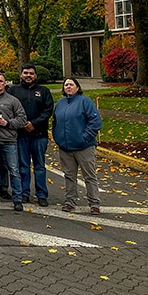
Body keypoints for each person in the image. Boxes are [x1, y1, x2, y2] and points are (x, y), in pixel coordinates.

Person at [53, 78, 103, 215]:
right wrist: (57, 137)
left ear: (77, 87)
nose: (68, 87)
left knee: (89, 175)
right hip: (65, 148)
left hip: (84, 147)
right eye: (66, 85)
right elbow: (55, 122)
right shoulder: (60, 104)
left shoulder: (85, 101)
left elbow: (95, 121)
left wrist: (84, 138)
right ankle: (70, 201)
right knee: (69, 175)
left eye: (71, 84)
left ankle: (94, 203)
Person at [9, 64, 54, 207]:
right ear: (21, 74)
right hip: (21, 135)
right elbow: (10, 110)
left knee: (39, 166)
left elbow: (48, 111)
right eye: (26, 73)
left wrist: (34, 124)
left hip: (39, 135)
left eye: (31, 73)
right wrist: (21, 124)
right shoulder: (13, 91)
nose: (28, 76)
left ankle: (41, 194)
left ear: (36, 75)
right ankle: (24, 193)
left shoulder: (44, 91)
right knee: (23, 165)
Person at [0, 72, 27, 211]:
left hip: (9, 140)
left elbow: (22, 119)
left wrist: (7, 123)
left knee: (13, 170)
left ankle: (17, 198)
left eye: (1, 81)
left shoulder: (13, 101)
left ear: (5, 83)